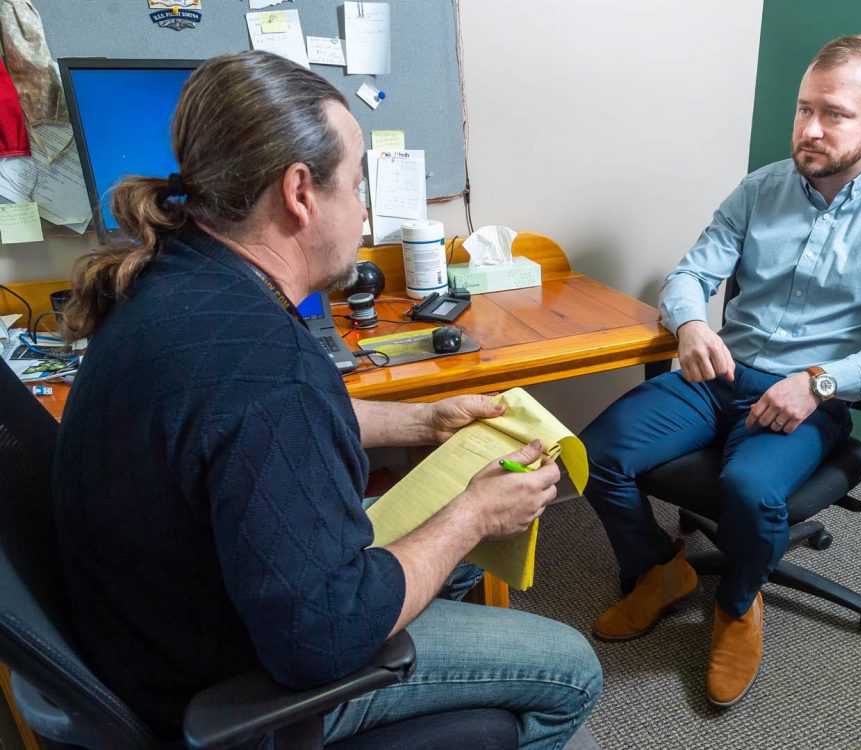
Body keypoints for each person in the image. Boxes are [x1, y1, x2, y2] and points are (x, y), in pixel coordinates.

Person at [53, 50, 601, 748]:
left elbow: (238, 435)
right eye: (358, 182)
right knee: (572, 669)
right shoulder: (269, 368)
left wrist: (420, 419)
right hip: (231, 687)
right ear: (300, 191)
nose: (365, 208)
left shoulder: (169, 284)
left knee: (450, 571)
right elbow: (323, 636)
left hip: (155, 626)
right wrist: (471, 516)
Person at [580, 34, 861, 708]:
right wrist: (692, 324)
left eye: (835, 114)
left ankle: (736, 603)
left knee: (750, 490)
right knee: (590, 456)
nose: (810, 130)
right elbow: (691, 275)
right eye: (804, 108)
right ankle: (660, 572)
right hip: (721, 374)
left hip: (812, 395)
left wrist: (819, 381)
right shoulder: (760, 189)